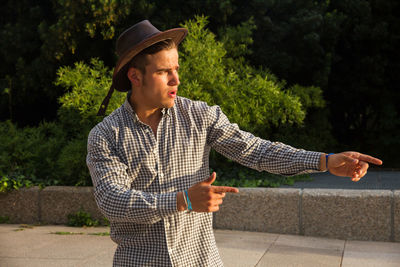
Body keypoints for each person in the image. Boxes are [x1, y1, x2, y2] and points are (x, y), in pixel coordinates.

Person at [87, 20, 383, 266]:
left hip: (200, 260)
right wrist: (183, 200)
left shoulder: (199, 116)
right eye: (164, 72)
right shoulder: (105, 135)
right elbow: (112, 200)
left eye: (176, 68)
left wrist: (324, 161)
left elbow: (256, 151)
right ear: (135, 76)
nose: (176, 79)